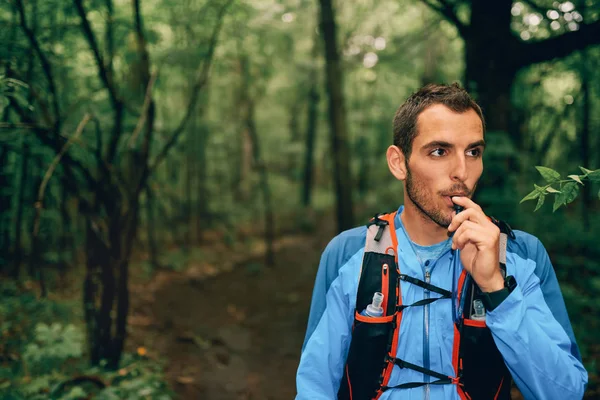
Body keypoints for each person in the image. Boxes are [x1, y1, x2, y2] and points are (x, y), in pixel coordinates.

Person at [295, 83, 587, 400]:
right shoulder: (351, 253)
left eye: (473, 152)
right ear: (398, 162)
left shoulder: (519, 253)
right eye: (439, 151)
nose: (462, 172)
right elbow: (315, 387)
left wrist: (495, 288)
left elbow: (565, 393)